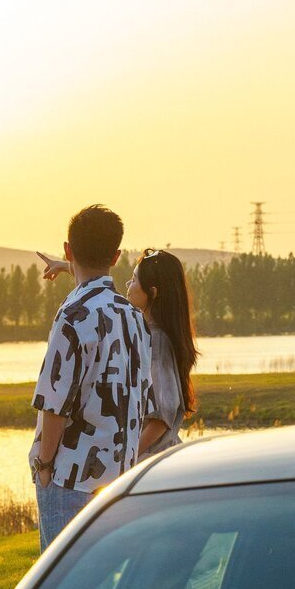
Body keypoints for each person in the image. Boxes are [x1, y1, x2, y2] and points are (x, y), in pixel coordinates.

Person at [30, 203, 151, 550]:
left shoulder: (72, 315)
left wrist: (44, 467)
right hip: (120, 482)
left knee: (65, 580)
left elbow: (55, 403)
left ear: (69, 250)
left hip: (70, 481)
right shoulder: (135, 318)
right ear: (116, 257)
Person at [128, 247, 198, 456]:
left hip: (150, 461)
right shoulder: (152, 334)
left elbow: (161, 418)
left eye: (134, 280)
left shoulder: (156, 341)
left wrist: (127, 460)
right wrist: (72, 268)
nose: (128, 285)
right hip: (154, 459)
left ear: (153, 292)